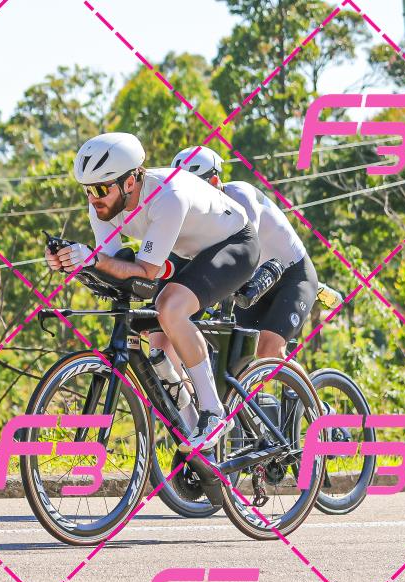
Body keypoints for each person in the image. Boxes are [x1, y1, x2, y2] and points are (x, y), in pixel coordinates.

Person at [46, 132, 260, 451]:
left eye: (101, 189)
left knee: (170, 308)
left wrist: (92, 259)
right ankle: (193, 434)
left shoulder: (167, 197)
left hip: (233, 243)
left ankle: (213, 412)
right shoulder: (102, 206)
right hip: (184, 250)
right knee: (157, 343)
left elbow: (144, 272)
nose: (93, 198)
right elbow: (115, 266)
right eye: (87, 189)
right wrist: (72, 262)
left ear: (130, 181)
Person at [171, 146, 318, 359]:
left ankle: (299, 382)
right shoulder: (197, 216)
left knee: (268, 349)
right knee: (231, 355)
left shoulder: (241, 195)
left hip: (290, 276)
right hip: (252, 281)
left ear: (214, 182)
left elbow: (249, 251)